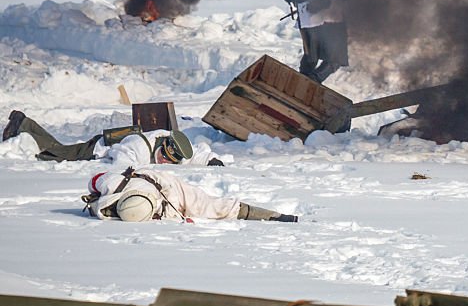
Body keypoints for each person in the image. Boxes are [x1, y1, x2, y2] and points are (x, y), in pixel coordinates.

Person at [2, 110, 223, 166]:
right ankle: (21, 127)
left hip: (113, 143)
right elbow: (122, 158)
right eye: (164, 158)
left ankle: (25, 123)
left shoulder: (172, 144)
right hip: (97, 149)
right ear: (163, 148)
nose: (165, 162)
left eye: (169, 162)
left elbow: (194, 152)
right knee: (55, 154)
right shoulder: (140, 147)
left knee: (60, 147)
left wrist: (211, 159)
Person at [84, 168, 297, 223]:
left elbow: (95, 180)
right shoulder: (113, 191)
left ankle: (272, 216)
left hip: (167, 185)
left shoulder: (172, 191)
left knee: (217, 207)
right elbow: (94, 181)